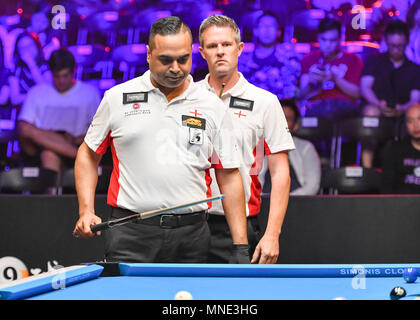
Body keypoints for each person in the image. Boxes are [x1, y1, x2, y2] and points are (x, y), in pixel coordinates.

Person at [72, 16, 250, 264]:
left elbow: (229, 175)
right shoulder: (117, 98)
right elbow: (88, 155)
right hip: (131, 234)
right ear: (148, 55)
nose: (175, 68)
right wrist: (86, 211)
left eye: (183, 59)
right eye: (166, 60)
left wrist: (240, 246)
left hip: (192, 236)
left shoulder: (212, 105)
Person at [198, 15, 295, 264]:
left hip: (241, 225)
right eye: (212, 46)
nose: (220, 51)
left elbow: (281, 172)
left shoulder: (265, 102)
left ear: (239, 49)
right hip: (190, 224)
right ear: (201, 52)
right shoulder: (187, 98)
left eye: (227, 45)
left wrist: (273, 234)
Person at [17, 48, 101, 175]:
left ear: (74, 71)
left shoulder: (89, 94)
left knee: (49, 154)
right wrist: (52, 137)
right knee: (26, 130)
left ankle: (73, 152)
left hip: (76, 142)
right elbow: (24, 129)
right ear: (51, 73)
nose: (61, 81)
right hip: (40, 146)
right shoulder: (37, 92)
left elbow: (98, 131)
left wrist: (76, 139)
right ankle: (77, 155)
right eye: (57, 76)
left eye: (65, 76)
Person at [360, 20, 420, 167]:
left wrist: (403, 108)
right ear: (386, 41)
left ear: (407, 42)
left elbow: (415, 99)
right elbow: (365, 87)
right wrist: (378, 104)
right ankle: (367, 169)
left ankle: (409, 170)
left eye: (399, 46)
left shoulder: (415, 69)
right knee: (371, 112)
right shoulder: (374, 61)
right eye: (392, 45)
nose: (395, 49)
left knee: (416, 115)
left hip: (404, 115)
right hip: (378, 109)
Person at [299, 17, 363, 121]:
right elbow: (301, 95)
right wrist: (310, 81)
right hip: (315, 107)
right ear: (318, 38)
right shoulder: (309, 59)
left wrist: (335, 78)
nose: (327, 45)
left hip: (344, 107)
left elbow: (358, 94)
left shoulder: (352, 59)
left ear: (339, 40)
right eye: (324, 40)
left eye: (332, 40)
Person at [260, 99, 321, 196]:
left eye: (287, 119)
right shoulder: (258, 147)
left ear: (295, 125)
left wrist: (286, 200)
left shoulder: (306, 148)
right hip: (264, 204)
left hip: (297, 204)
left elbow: (312, 185)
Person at [238, 11, 301, 100]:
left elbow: (292, 90)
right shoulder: (243, 59)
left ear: (279, 32)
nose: (267, 30)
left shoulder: (289, 57)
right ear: (255, 31)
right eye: (263, 26)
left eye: (271, 26)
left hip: (280, 107)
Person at [381, 103, 420, 194]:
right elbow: (386, 189)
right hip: (401, 205)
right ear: (406, 125)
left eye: (419, 119)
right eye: (410, 121)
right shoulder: (394, 150)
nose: (415, 125)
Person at [8, 32, 51, 107]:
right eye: (23, 48)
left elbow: (46, 91)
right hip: (25, 113)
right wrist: (37, 96)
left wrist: (32, 65)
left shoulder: (45, 67)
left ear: (36, 46)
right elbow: (15, 99)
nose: (27, 50)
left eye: (30, 46)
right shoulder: (16, 71)